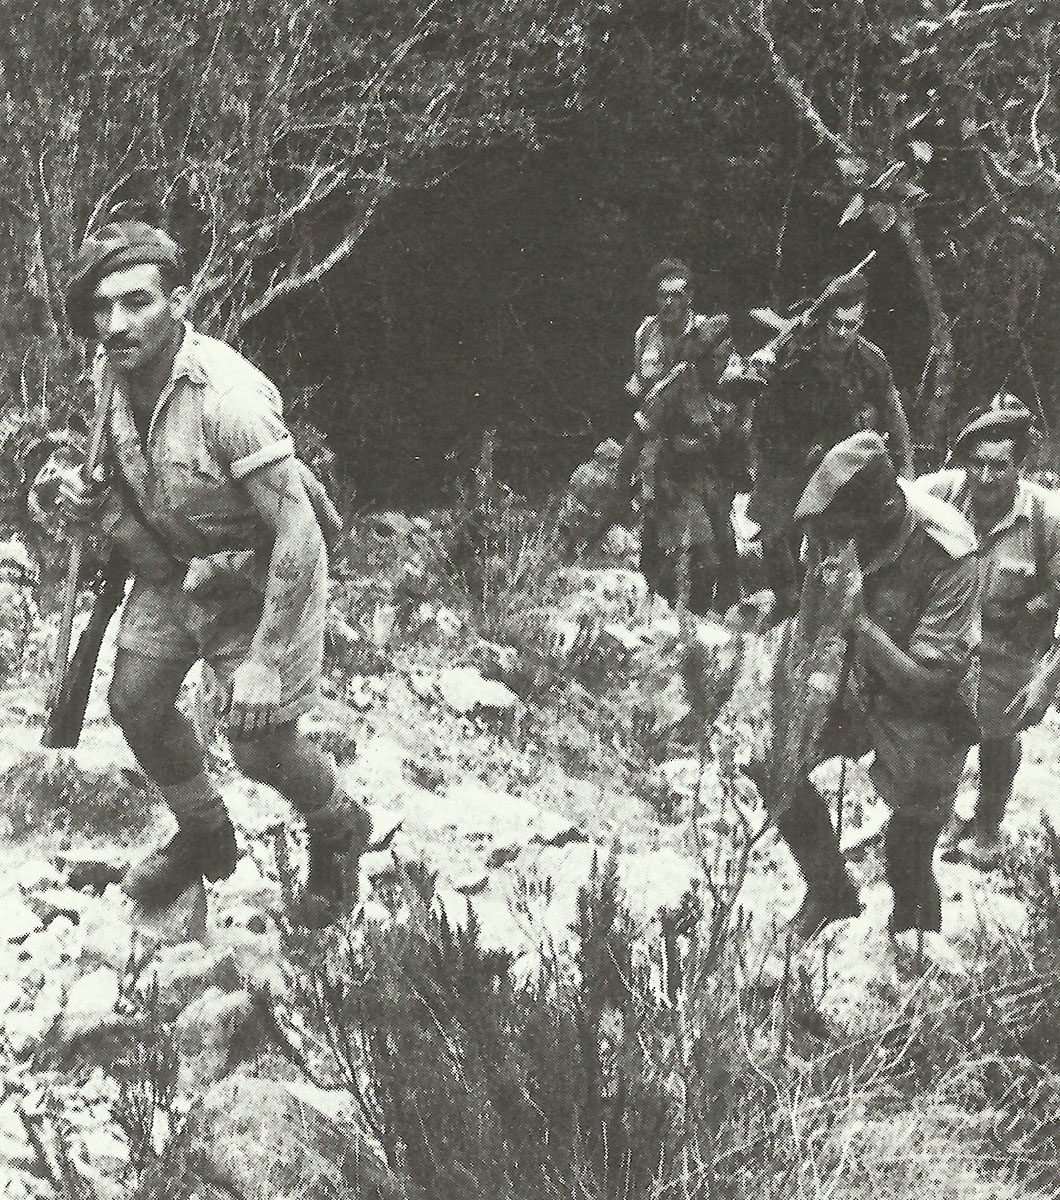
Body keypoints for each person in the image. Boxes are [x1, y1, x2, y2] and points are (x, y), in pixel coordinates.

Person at [54, 219, 370, 926]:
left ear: (181, 301)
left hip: (258, 576)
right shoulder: (111, 376)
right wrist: (89, 500)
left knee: (257, 743)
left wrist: (264, 661)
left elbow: (298, 528)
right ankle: (205, 833)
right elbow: (127, 478)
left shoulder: (229, 399)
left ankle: (338, 824)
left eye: (136, 302)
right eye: (101, 308)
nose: (115, 323)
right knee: (135, 701)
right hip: (172, 569)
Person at [776, 431, 979, 939]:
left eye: (846, 533)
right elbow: (810, 619)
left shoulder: (948, 551)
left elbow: (930, 684)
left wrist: (858, 625)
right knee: (779, 773)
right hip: (857, 682)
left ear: (885, 510)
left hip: (929, 712)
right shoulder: (836, 527)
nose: (835, 544)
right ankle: (830, 892)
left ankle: (915, 951)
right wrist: (802, 708)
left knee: (906, 855)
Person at [920, 400, 1060, 869]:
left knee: (999, 735)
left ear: (1019, 465)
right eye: (976, 464)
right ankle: (927, 820)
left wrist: (1047, 680)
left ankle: (987, 823)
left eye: (998, 466)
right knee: (934, 730)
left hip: (1009, 649)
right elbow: (888, 498)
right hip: (945, 640)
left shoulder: (1047, 518)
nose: (985, 477)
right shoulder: (940, 494)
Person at [748, 275, 914, 620]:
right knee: (777, 530)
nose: (840, 333)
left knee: (853, 530)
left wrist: (905, 466)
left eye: (849, 325)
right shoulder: (792, 352)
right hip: (789, 454)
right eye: (835, 323)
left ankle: (842, 608)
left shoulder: (870, 362)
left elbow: (893, 413)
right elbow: (762, 409)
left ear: (861, 322)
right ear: (824, 319)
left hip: (840, 461)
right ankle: (786, 600)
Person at [625, 258, 744, 614]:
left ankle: (727, 608)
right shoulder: (646, 333)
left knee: (721, 531)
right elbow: (642, 390)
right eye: (663, 296)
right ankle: (653, 601)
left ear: (690, 296)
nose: (670, 304)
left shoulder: (710, 336)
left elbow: (731, 393)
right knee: (655, 521)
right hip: (663, 448)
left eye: (677, 295)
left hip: (706, 449)